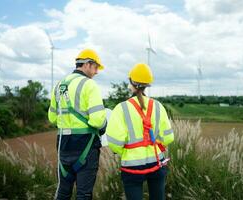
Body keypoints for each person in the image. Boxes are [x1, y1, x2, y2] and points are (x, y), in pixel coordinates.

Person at [106, 63, 174, 200]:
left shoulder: (121, 108)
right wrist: (156, 145)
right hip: (157, 162)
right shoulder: (158, 106)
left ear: (131, 83)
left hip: (132, 166)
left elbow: (114, 142)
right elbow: (168, 137)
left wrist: (126, 152)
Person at [48, 49, 107, 200]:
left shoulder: (59, 85)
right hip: (86, 145)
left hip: (63, 144)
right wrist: (104, 124)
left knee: (63, 191)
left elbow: (52, 118)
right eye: (96, 67)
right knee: (83, 194)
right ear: (87, 64)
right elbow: (98, 120)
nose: (97, 72)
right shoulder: (89, 85)